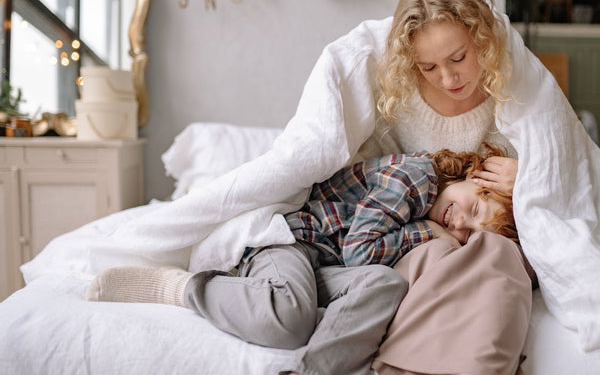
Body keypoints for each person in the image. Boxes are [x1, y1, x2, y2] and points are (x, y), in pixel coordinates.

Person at [87, 145, 518, 375]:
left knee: (386, 287)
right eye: (473, 210)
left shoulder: (433, 216)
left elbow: (362, 268)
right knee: (292, 319)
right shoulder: (415, 176)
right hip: (291, 242)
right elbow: (360, 251)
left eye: (469, 235)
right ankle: (176, 287)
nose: (459, 224)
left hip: (325, 265)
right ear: (472, 176)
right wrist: (433, 232)